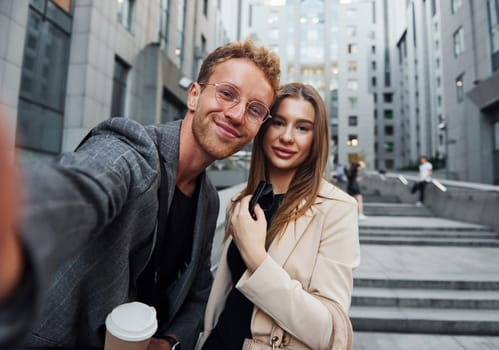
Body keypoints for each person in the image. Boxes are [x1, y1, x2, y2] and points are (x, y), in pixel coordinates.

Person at [0, 39, 281, 349]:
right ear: (195, 95)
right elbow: (84, 184)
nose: (237, 114)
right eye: (227, 94)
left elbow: (199, 293)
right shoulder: (133, 147)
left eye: (255, 110)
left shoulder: (209, 199)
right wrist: (18, 226)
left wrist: (170, 340)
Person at [195, 83, 360, 349]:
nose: (287, 137)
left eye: (302, 128)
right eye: (279, 123)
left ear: (316, 138)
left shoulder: (336, 208)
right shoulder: (243, 202)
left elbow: (328, 332)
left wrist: (257, 259)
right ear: (263, 128)